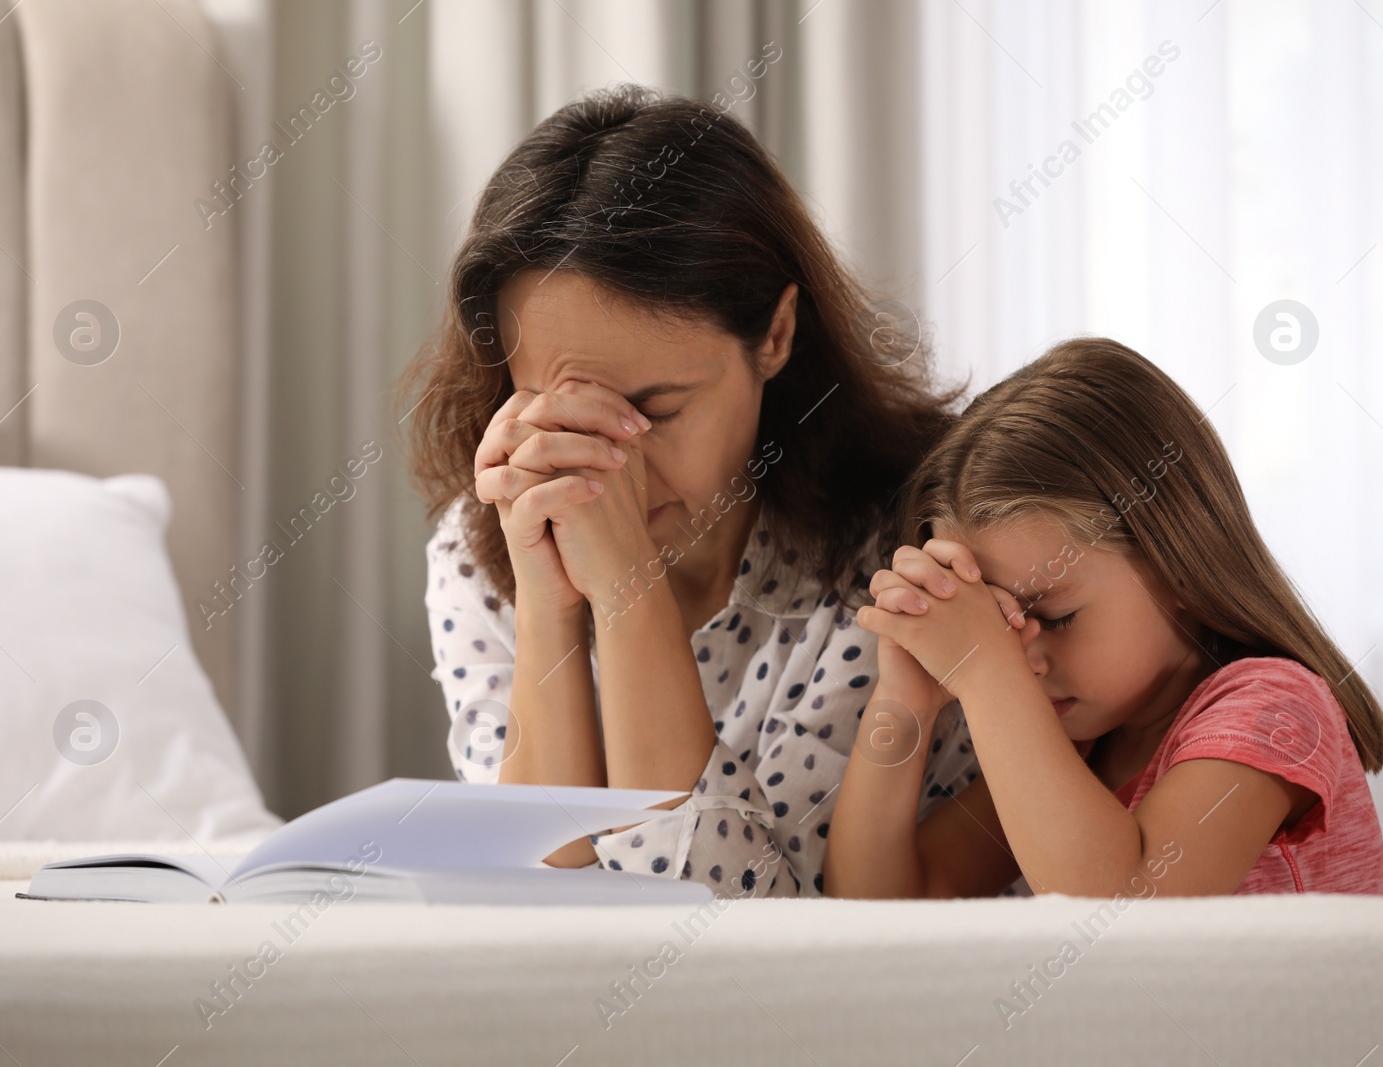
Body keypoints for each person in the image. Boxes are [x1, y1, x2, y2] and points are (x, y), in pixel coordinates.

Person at [398, 83, 984, 898]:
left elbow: (735, 922)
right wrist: (548, 601)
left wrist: (625, 589)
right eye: (553, 409)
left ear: (775, 335)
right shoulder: (483, 544)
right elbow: (530, 907)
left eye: (652, 410)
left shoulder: (903, 555)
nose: (608, 472)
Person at [825, 337, 1383, 898]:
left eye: (1055, 615)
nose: (1019, 656)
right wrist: (906, 702)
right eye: (995, 622)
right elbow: (882, 908)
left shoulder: (1274, 706)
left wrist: (985, 671)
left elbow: (1128, 908)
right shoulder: (1086, 749)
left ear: (1179, 568)